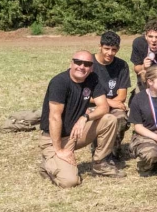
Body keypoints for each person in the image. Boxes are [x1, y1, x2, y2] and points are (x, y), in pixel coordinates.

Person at [38, 51, 123, 187]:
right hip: (54, 138)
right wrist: (59, 150)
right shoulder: (59, 82)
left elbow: (104, 107)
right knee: (70, 182)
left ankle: (100, 164)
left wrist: (85, 117)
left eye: (87, 64)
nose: (82, 67)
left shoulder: (92, 78)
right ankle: (48, 163)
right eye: (78, 62)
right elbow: (54, 117)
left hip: (76, 133)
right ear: (71, 63)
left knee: (109, 119)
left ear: (92, 67)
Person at [92, 30, 131, 154]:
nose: (110, 53)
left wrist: (109, 105)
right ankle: (98, 147)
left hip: (115, 104)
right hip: (92, 105)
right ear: (100, 46)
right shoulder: (88, 64)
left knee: (121, 117)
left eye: (113, 49)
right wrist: (107, 103)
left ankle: (113, 150)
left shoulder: (122, 65)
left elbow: (122, 95)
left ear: (118, 49)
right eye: (106, 48)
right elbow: (83, 95)